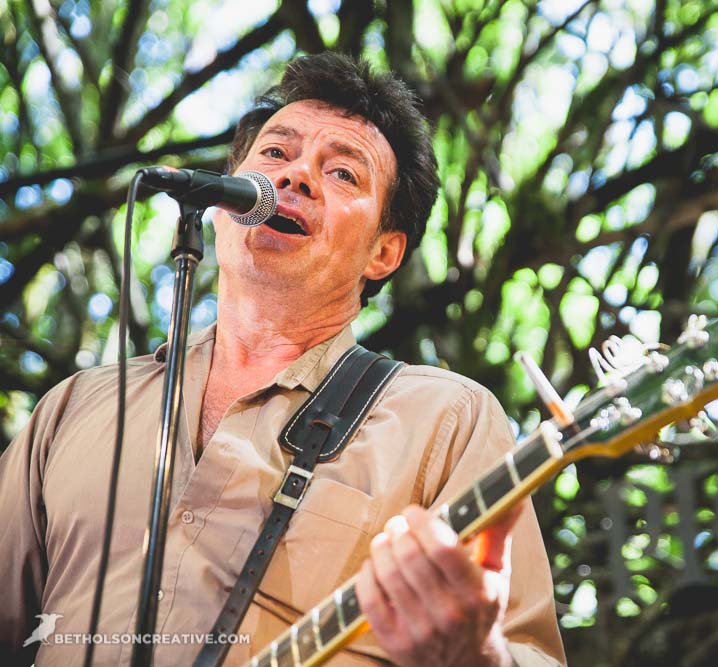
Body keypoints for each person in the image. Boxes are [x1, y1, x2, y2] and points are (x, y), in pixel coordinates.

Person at [0, 52, 567, 667]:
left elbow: (530, 653)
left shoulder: (446, 420)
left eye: (344, 173)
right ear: (219, 207)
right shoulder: (77, 405)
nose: (294, 176)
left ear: (384, 252)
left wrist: (475, 654)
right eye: (275, 153)